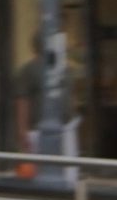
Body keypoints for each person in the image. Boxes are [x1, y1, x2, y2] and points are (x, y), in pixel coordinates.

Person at [14, 32, 84, 186]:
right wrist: (22, 130)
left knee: (69, 166)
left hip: (66, 124)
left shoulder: (63, 68)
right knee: (42, 168)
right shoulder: (28, 70)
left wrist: (74, 115)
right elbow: (22, 100)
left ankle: (69, 190)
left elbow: (71, 94)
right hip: (39, 127)